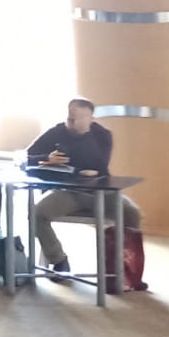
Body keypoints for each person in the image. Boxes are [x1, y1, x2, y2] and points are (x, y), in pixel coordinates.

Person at [27, 99, 144, 288]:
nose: (73, 122)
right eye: (70, 117)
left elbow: (99, 164)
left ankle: (126, 269)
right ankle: (58, 260)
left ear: (91, 118)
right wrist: (47, 158)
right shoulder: (56, 132)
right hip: (69, 192)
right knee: (37, 213)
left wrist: (84, 135)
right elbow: (28, 156)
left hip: (101, 193)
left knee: (132, 213)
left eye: (79, 118)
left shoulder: (102, 135)